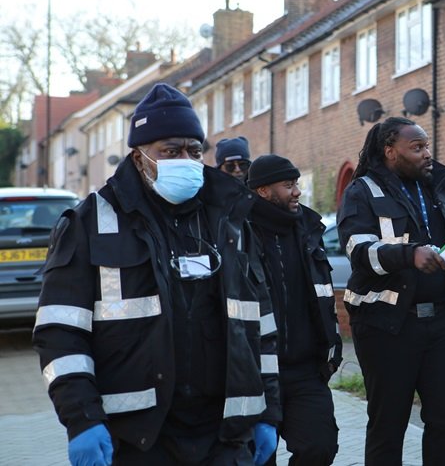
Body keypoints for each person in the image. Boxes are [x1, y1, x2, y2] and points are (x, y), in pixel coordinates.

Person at [32, 83, 281, 466]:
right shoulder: (90, 223)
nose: (185, 159)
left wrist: (268, 411)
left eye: (194, 151)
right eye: (170, 150)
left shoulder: (229, 220)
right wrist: (81, 419)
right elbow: (60, 331)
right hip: (137, 437)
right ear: (139, 157)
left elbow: (259, 324)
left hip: (224, 434)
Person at [336, 116, 445, 466]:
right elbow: (359, 251)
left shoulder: (435, 187)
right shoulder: (362, 192)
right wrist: (409, 255)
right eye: (417, 148)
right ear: (390, 152)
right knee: (389, 424)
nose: (427, 154)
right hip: (388, 325)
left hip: (444, 321)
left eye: (427, 146)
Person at [245, 154, 342, 466]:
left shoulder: (309, 230)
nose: (297, 192)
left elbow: (324, 297)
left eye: (296, 184)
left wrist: (331, 352)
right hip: (253, 373)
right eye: (288, 185)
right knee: (259, 457)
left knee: (320, 447)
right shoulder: (236, 232)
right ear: (262, 190)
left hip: (305, 370)